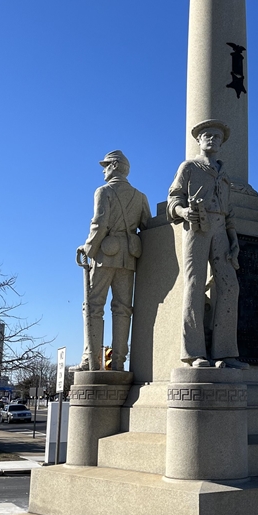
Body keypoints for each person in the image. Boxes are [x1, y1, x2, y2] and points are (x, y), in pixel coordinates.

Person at [167, 121, 248, 369]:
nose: (212, 139)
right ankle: (194, 353)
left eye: (217, 136)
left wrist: (234, 240)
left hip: (221, 230)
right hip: (196, 227)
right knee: (195, 285)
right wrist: (183, 212)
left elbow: (229, 211)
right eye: (208, 135)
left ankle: (226, 352)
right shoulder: (189, 167)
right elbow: (173, 198)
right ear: (199, 140)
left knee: (230, 286)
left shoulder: (224, 174)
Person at [70, 150, 150, 372]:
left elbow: (100, 224)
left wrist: (87, 248)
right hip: (129, 258)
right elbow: (148, 229)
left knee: (93, 306)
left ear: (115, 166)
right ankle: (118, 362)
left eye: (106, 166)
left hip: (105, 255)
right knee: (122, 309)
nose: (103, 170)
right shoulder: (140, 197)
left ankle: (91, 360)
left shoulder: (103, 191)